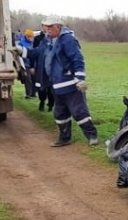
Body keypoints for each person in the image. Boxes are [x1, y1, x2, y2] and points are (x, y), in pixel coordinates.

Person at [39, 16, 98, 147]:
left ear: (58, 27)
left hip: (71, 84)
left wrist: (80, 79)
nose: (47, 29)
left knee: (79, 112)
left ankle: (92, 136)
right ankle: (64, 138)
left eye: (50, 27)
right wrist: (23, 52)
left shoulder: (67, 40)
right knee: (60, 113)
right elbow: (39, 55)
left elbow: (77, 59)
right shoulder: (48, 41)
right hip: (56, 84)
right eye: (46, 27)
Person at [28, 29, 54, 112]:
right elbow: (34, 53)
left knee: (51, 89)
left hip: (51, 69)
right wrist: (32, 66)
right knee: (41, 88)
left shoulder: (56, 41)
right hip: (40, 67)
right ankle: (42, 101)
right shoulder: (39, 39)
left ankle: (51, 105)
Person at [18, 28, 36, 98]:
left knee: (34, 79)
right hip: (25, 64)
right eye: (31, 37)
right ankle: (28, 93)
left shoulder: (33, 44)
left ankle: (33, 93)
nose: (32, 38)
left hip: (33, 64)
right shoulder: (21, 44)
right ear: (27, 36)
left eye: (32, 37)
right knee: (28, 79)